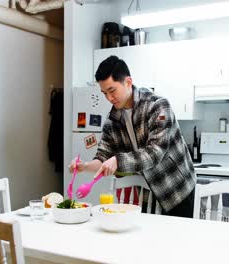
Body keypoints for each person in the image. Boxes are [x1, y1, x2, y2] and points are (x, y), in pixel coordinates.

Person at [70, 55, 196, 218]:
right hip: (146, 191)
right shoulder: (112, 120)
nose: (109, 98)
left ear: (128, 82)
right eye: (104, 93)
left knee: (176, 242)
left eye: (112, 90)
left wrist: (117, 160)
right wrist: (84, 166)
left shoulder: (157, 106)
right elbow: (103, 156)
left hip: (177, 190)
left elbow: (155, 153)